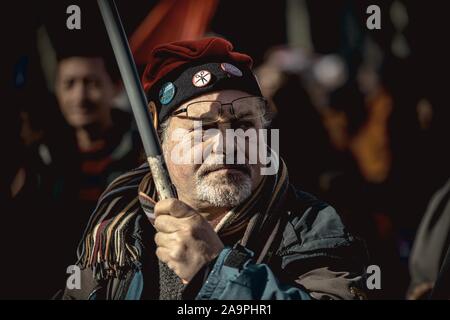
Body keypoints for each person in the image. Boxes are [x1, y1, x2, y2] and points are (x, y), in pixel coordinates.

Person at [60, 37, 367, 300]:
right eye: (202, 126)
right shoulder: (118, 229)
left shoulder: (311, 229)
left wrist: (216, 271)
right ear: (159, 137)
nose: (227, 143)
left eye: (245, 124)